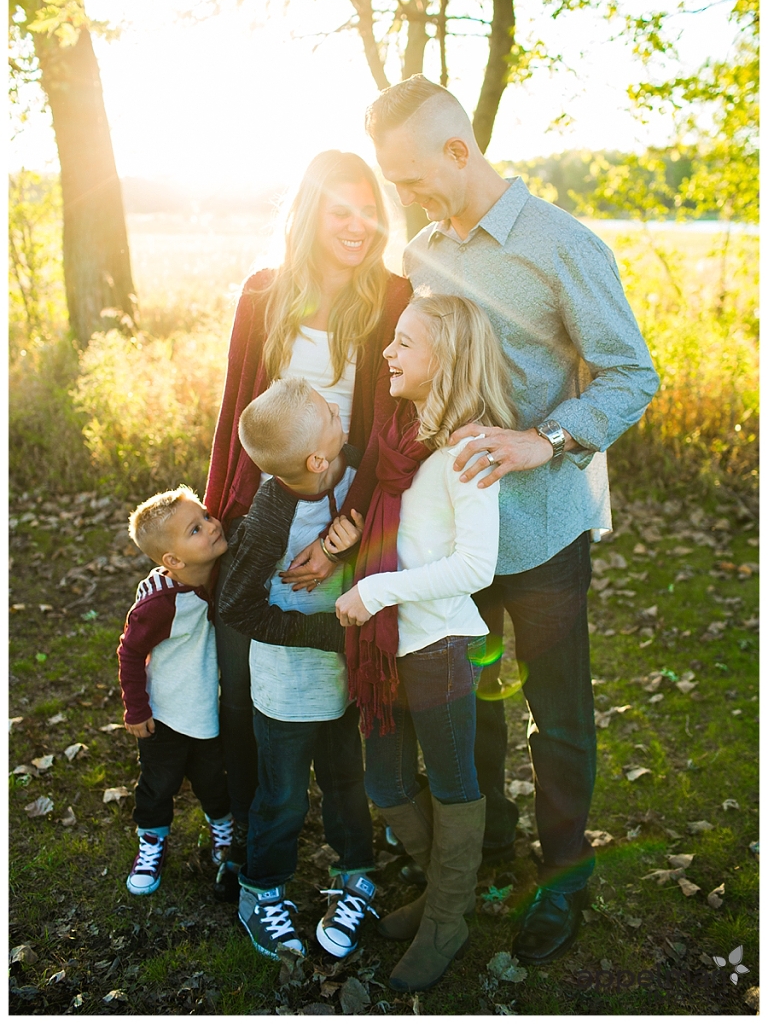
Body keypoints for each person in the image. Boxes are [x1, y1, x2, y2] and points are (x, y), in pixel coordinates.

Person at [364, 75, 660, 965]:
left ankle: (563, 875)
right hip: (459, 537)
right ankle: (483, 855)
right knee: (469, 701)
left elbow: (631, 374)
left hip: (541, 533)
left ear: (460, 151)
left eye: (414, 178)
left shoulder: (561, 245)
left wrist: (546, 437)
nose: (405, 200)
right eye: (395, 184)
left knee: (557, 713)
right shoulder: (421, 254)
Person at [203, 151, 411, 862]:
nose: (358, 225)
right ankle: (247, 833)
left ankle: (363, 830)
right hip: (261, 507)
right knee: (244, 683)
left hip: (353, 507)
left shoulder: (390, 298)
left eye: (368, 210)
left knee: (338, 674)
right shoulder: (264, 294)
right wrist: (216, 517)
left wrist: (343, 533)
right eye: (341, 210)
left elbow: (386, 431)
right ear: (311, 212)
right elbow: (235, 412)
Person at [336, 292, 513, 992]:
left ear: (449, 359)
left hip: (437, 645)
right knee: (384, 779)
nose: (389, 352)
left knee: (453, 784)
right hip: (387, 654)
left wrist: (373, 591)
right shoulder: (404, 437)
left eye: (406, 342)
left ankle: (446, 917)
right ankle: (447, 892)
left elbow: (477, 567)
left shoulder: (468, 447)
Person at [218, 377, 377, 961]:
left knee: (345, 782)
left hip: (347, 677)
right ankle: (261, 890)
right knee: (283, 796)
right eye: (327, 413)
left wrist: (350, 541)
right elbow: (236, 603)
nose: (340, 410)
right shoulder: (270, 516)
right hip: (287, 685)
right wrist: (324, 633)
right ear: (316, 458)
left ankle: (357, 874)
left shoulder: (355, 469)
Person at [117, 487, 234, 896]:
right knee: (158, 782)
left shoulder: (221, 575)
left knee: (213, 780)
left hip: (206, 709)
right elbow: (130, 654)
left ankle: (224, 832)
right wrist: (136, 710)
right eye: (196, 528)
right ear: (174, 561)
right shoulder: (160, 603)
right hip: (164, 714)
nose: (212, 524)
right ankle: (151, 843)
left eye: (205, 515)